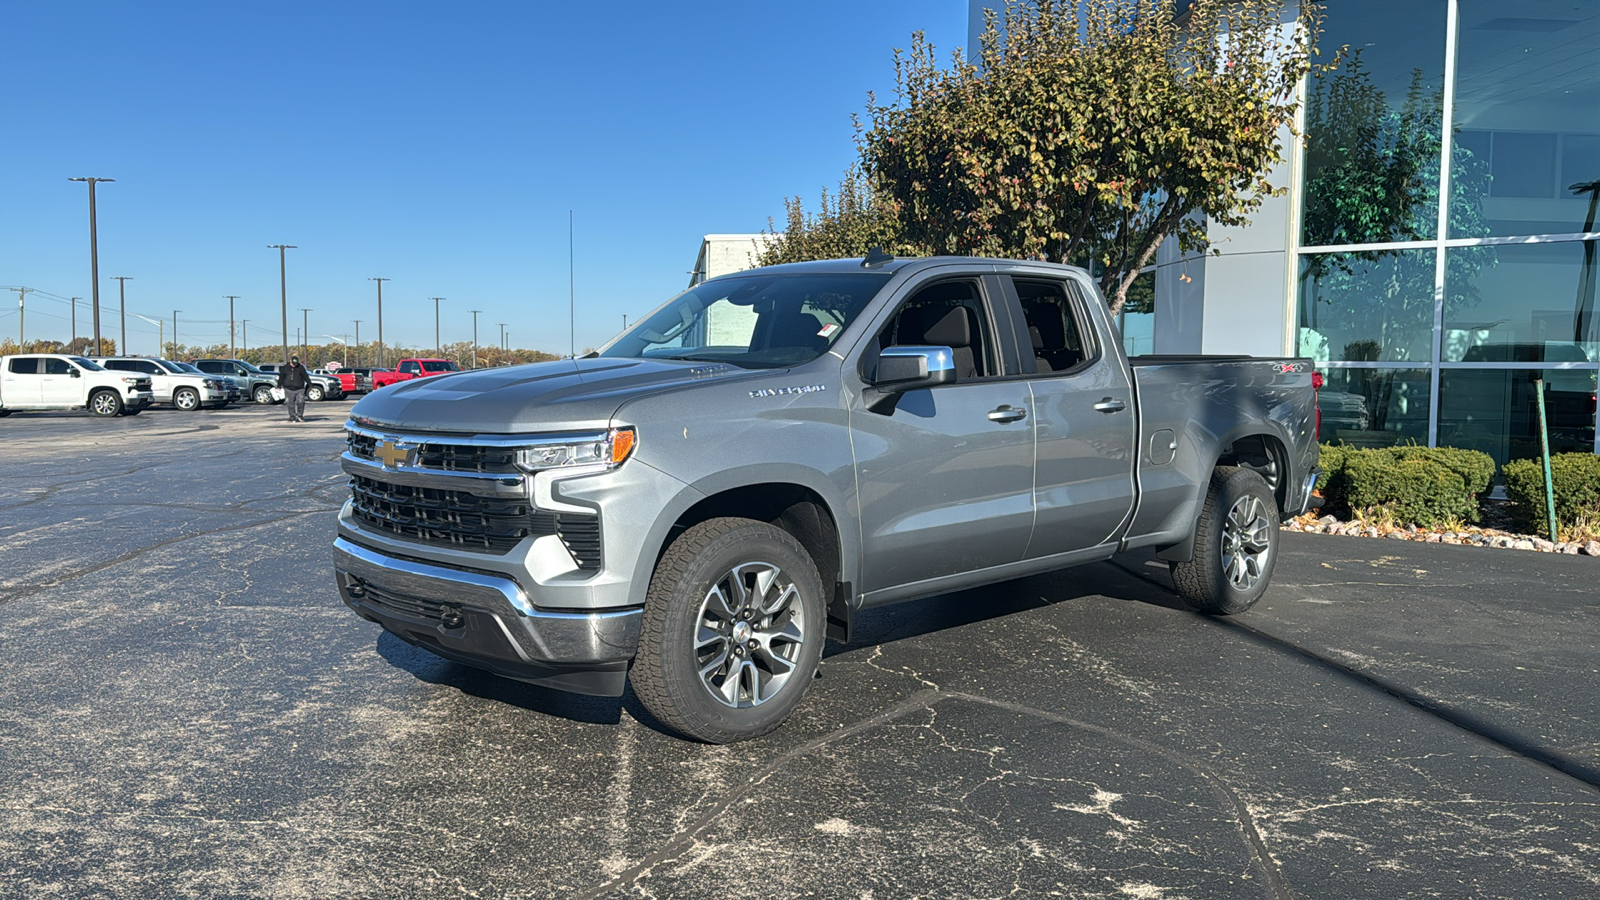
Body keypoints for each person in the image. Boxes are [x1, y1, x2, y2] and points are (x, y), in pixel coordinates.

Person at [278, 355, 311, 422]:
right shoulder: (285, 368)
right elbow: (281, 377)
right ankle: (292, 417)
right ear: (290, 361)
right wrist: (278, 386)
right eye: (293, 363)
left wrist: (310, 385)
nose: (294, 365)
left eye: (295, 364)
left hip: (300, 388)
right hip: (288, 388)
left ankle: (300, 415)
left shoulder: (300, 367)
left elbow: (306, 376)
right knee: (290, 403)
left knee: (301, 402)